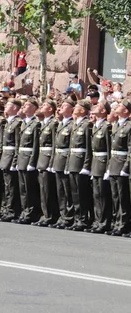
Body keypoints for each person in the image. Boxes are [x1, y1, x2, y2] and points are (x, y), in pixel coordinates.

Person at [64, 99, 94, 231]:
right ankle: (77, 219)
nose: (74, 108)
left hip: (81, 162)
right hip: (73, 162)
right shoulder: (75, 124)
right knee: (74, 193)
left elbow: (89, 147)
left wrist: (86, 166)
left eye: (77, 106)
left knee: (82, 193)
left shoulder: (87, 125)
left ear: (82, 110)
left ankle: (83, 219)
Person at [13, 99, 42, 225]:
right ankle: (25, 211)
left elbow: (36, 145)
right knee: (23, 188)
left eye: (27, 105)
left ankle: (31, 213)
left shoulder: (36, 124)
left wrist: (32, 162)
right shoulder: (24, 123)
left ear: (34, 108)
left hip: (29, 158)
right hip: (21, 158)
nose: (24, 106)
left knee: (30, 188)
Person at [86, 102, 112, 234]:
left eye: (97, 107)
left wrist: (108, 167)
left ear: (103, 111)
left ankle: (104, 222)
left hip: (102, 163)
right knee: (96, 194)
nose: (93, 108)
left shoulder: (107, 127)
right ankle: (97, 221)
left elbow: (109, 150)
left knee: (103, 195)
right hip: (96, 163)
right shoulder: (96, 126)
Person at [50, 97, 76, 229]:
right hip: (58, 159)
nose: (61, 108)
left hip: (66, 159)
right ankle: (62, 215)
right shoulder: (60, 123)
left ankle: (69, 216)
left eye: (65, 106)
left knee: (67, 191)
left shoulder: (72, 124)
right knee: (60, 191)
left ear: (72, 109)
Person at [107, 99, 131, 236]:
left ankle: (124, 224)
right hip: (114, 163)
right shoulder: (116, 125)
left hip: (122, 163)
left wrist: (126, 168)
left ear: (126, 111)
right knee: (115, 196)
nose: (117, 107)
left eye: (120, 106)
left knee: (123, 197)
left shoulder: (129, 126)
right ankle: (117, 223)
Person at [33, 99, 59, 227]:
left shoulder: (54, 123)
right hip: (42, 158)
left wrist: (52, 161)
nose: (42, 106)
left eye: (45, 105)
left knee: (48, 190)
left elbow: (54, 144)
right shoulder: (45, 123)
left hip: (48, 158)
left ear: (51, 109)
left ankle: (50, 215)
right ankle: (45, 214)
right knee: (43, 189)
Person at [0, 99, 23, 222]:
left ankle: (13, 210)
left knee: (12, 186)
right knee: (7, 185)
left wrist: (15, 161)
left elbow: (18, 144)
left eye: (8, 105)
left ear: (15, 108)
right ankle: (8, 209)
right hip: (5, 156)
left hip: (11, 156)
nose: (5, 106)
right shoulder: (8, 122)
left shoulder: (17, 122)